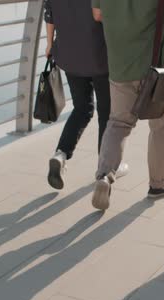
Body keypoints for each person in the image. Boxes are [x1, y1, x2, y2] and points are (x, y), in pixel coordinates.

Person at [90, 0, 164, 210]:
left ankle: (104, 176)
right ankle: (158, 184)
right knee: (160, 127)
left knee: (118, 123)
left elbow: (97, 14)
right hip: (156, 68)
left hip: (119, 65)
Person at [44, 0, 128, 190]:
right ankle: (105, 168)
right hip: (100, 56)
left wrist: (49, 44)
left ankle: (60, 155)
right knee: (107, 113)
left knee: (82, 108)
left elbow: (49, 14)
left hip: (68, 54)